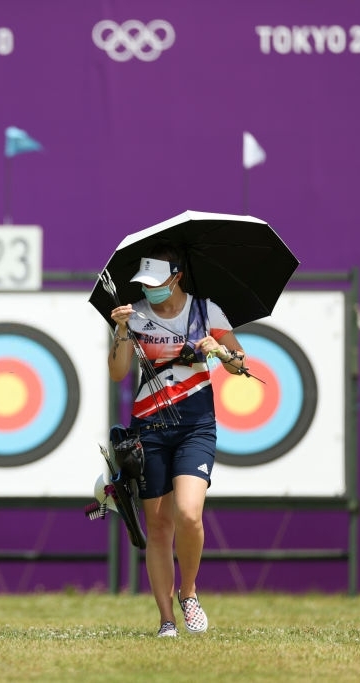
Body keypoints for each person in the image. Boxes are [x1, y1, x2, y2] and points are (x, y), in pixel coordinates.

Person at [107, 243, 247, 638]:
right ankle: (166, 619)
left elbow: (241, 366)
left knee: (188, 513)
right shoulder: (133, 316)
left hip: (196, 425)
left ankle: (189, 594)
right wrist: (120, 330)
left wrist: (219, 351)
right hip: (149, 428)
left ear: (177, 277)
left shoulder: (207, 311)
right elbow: (118, 372)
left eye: (156, 283)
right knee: (159, 524)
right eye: (144, 284)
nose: (149, 290)